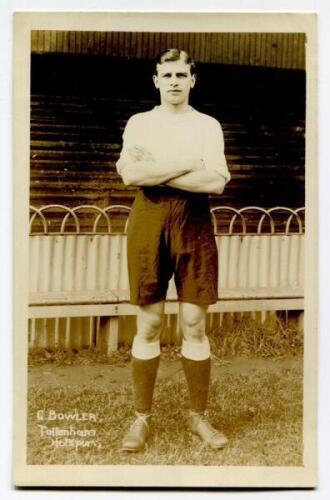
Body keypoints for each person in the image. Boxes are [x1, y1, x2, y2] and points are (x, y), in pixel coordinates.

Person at [116, 48, 231, 452]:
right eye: (167, 76)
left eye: (182, 75)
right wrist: (187, 163)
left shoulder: (208, 125)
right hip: (148, 222)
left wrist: (160, 169)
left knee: (193, 325)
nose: (175, 82)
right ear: (156, 80)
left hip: (195, 223)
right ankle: (141, 419)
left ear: (193, 80)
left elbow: (215, 183)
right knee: (148, 324)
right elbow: (131, 174)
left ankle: (197, 416)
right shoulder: (141, 123)